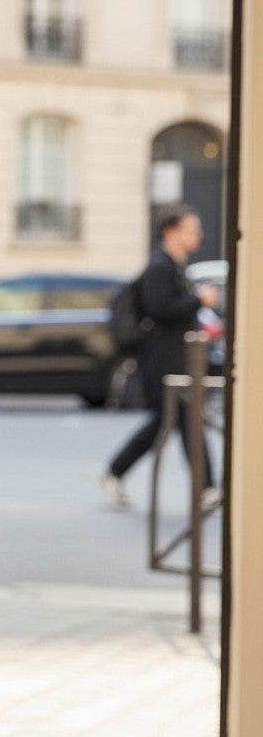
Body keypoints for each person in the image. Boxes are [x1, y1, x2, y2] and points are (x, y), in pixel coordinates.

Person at [99, 207, 222, 511]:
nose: (198, 236)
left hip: (174, 360)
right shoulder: (160, 268)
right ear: (171, 232)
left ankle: (114, 472)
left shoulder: (174, 266)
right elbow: (159, 308)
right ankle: (207, 488)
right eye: (191, 229)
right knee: (184, 421)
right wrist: (198, 300)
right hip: (163, 362)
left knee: (167, 423)